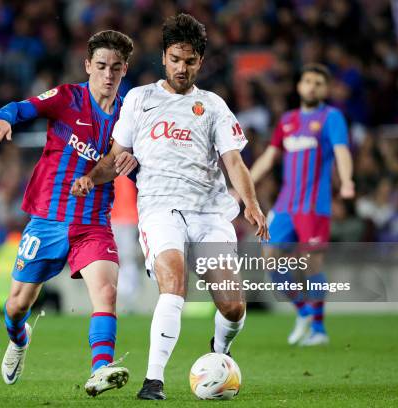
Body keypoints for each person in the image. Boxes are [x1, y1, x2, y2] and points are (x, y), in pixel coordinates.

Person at [71, 14, 269, 400]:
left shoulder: (212, 106)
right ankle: (153, 381)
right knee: (173, 285)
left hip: (210, 213)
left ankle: (220, 354)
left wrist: (252, 204)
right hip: (161, 208)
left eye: (190, 61)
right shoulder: (140, 100)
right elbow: (117, 155)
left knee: (232, 307)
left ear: (201, 62)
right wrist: (90, 178)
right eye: (175, 59)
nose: (182, 67)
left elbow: (233, 161)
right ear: (164, 57)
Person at [0, 30, 138, 396]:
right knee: (18, 304)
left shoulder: (130, 113)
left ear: (124, 70)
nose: (108, 74)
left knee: (106, 291)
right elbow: (24, 107)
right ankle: (19, 340)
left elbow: (136, 156)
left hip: (93, 223)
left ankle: (101, 369)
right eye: (100, 66)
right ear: (88, 66)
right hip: (48, 221)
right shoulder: (68, 97)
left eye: (116, 68)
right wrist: (5, 118)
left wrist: (133, 160)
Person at [250, 63, 355, 346]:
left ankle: (319, 331)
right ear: (299, 86)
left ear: (326, 89)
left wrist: (346, 180)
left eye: (318, 83)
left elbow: (342, 151)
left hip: (314, 206)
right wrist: (243, 186)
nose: (311, 86)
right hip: (285, 205)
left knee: (311, 265)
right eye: (307, 81)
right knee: (269, 259)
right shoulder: (287, 120)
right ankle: (304, 311)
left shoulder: (332, 117)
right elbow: (270, 157)